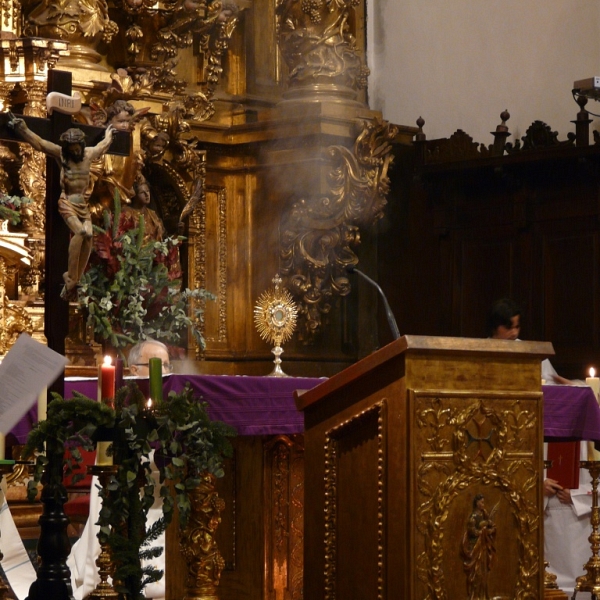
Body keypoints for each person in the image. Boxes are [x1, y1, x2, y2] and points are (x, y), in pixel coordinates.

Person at [7, 115, 115, 295]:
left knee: (89, 235)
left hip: (83, 204)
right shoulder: (62, 155)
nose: (74, 152)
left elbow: (102, 146)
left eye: (77, 148)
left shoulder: (88, 155)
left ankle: (75, 277)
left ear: (81, 145)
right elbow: (40, 143)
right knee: (81, 232)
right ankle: (71, 277)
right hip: (67, 202)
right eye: (71, 149)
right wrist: (22, 129)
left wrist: (109, 134)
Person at [487, 298, 571, 385]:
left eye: (517, 327)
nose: (514, 333)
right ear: (494, 327)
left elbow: (551, 386)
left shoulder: (533, 352)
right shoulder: (480, 351)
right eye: (509, 327)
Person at [461, 494, 497, 600]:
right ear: (477, 503)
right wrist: (484, 531)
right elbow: (473, 532)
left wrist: (491, 528)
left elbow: (490, 525)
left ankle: (483, 596)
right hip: (476, 548)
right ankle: (475, 596)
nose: (483, 504)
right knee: (477, 573)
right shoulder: (473, 518)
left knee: (484, 573)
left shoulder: (483, 514)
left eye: (483, 502)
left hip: (483, 547)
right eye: (481, 502)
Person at [122, 177, 165, 243]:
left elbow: (160, 238)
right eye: (142, 192)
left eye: (147, 191)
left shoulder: (153, 215)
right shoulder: (128, 213)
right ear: (135, 195)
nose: (147, 195)